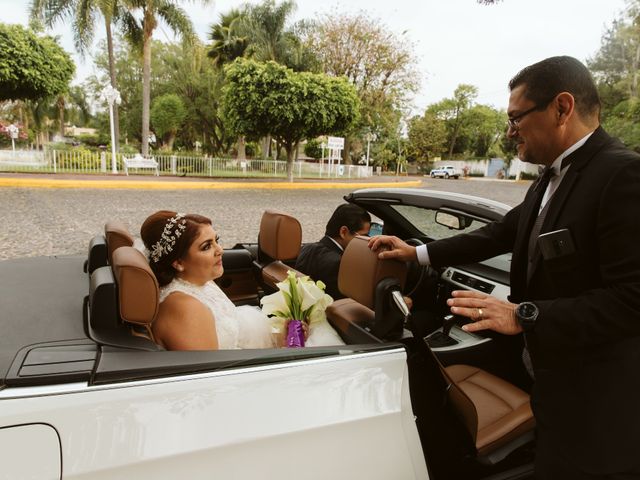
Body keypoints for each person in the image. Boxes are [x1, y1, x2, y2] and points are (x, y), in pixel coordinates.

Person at [369, 56, 640, 478]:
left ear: (562, 108)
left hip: (596, 399)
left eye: (516, 118)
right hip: (548, 381)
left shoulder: (623, 175)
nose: (509, 132)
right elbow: (496, 235)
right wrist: (417, 253)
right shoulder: (548, 178)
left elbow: (631, 301)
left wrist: (523, 315)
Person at [141, 210, 343, 350]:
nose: (219, 250)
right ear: (178, 262)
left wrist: (283, 337)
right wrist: (287, 350)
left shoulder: (198, 281)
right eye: (206, 246)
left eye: (216, 241)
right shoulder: (184, 308)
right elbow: (215, 375)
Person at [295, 203, 371, 299]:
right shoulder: (339, 264)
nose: (368, 240)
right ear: (343, 232)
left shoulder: (306, 248)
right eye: (364, 236)